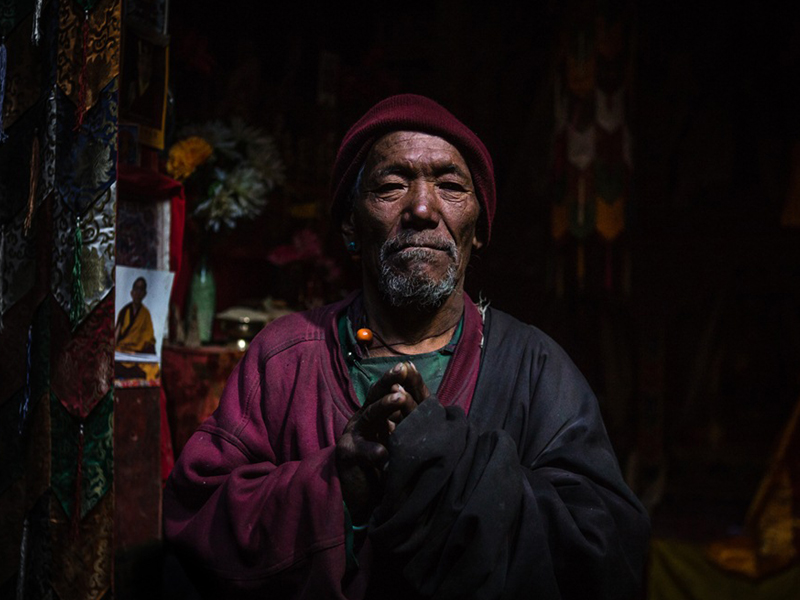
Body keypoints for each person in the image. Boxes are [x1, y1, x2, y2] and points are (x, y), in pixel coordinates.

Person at [163, 94, 650, 599]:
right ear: (351, 226)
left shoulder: (536, 368)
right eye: (392, 187)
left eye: (451, 187)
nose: (421, 208)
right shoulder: (285, 358)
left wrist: (448, 465)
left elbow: (607, 550)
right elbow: (195, 521)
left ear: (478, 230)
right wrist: (337, 485)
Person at [115, 276, 159, 379]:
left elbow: (149, 340)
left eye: (141, 289)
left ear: (145, 294)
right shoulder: (124, 311)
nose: (138, 293)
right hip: (123, 353)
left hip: (138, 356)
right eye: (136, 289)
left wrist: (152, 359)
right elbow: (116, 334)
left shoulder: (145, 314)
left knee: (152, 371)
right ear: (132, 292)